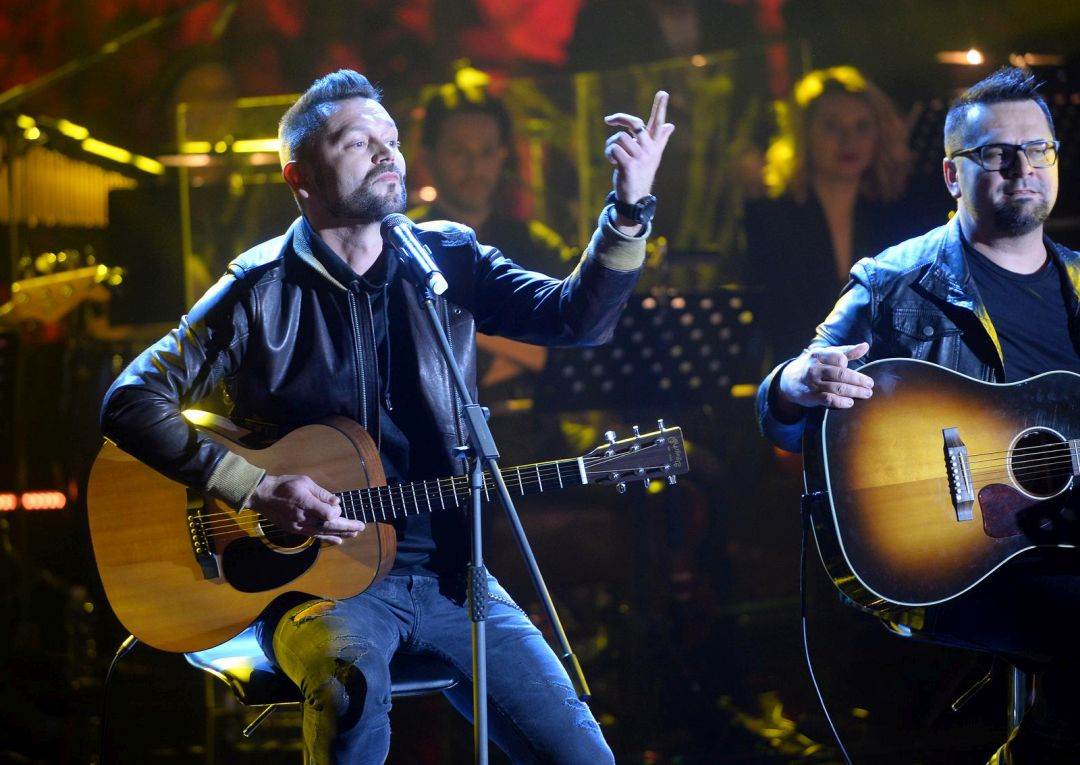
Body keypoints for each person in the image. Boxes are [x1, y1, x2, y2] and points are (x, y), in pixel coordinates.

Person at [99, 69, 674, 763]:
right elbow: (130, 400)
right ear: (300, 177)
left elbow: (577, 319)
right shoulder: (259, 288)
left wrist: (628, 211)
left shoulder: (447, 259)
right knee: (350, 688)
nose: (385, 153)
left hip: (454, 578)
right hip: (312, 594)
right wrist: (253, 486)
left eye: (392, 140)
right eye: (357, 142)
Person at [756, 66, 1080, 763]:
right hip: (951, 560)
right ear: (951, 174)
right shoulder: (894, 280)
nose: (1022, 167)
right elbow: (783, 411)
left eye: (1038, 149)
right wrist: (795, 383)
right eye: (997, 153)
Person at [744, 66, 945, 361]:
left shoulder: (899, 214)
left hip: (881, 369)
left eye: (862, 127)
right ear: (804, 134)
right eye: (832, 127)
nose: (849, 140)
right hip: (795, 368)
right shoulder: (769, 217)